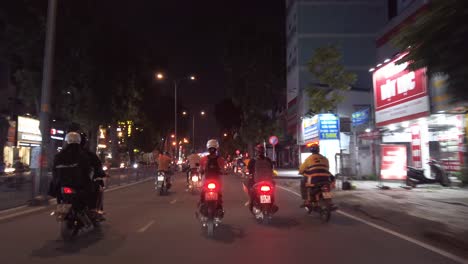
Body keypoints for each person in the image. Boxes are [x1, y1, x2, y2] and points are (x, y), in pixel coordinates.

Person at [49, 132, 94, 211]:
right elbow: (88, 169)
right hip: (79, 185)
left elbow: (54, 170)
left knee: (57, 191)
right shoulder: (83, 155)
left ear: (67, 141)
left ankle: (60, 206)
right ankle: (90, 210)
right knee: (92, 190)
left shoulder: (59, 155)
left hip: (61, 184)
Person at [298, 142, 335, 207]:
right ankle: (329, 201)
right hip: (325, 179)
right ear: (318, 150)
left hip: (314, 180)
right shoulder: (325, 158)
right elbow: (327, 168)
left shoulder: (309, 158)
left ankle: (306, 200)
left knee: (303, 182)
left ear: (311, 150)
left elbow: (301, 169)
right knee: (327, 188)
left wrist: (301, 172)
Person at [80, 132, 107, 218]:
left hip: (64, 184)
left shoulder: (62, 154)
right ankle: (93, 209)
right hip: (82, 183)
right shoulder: (87, 155)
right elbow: (97, 166)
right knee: (96, 188)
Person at [244, 144, 277, 210]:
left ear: (256, 152)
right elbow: (271, 169)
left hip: (257, 180)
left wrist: (248, 173)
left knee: (248, 186)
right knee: (273, 186)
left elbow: (248, 170)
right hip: (268, 180)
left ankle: (251, 200)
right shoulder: (268, 160)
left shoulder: (253, 160)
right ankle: (272, 202)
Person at [199, 139, 225, 218]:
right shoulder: (221, 159)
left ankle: (202, 203)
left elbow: (200, 169)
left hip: (206, 180)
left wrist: (201, 171)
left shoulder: (203, 159)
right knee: (219, 194)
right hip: (217, 180)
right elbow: (223, 169)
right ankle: (219, 207)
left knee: (203, 192)